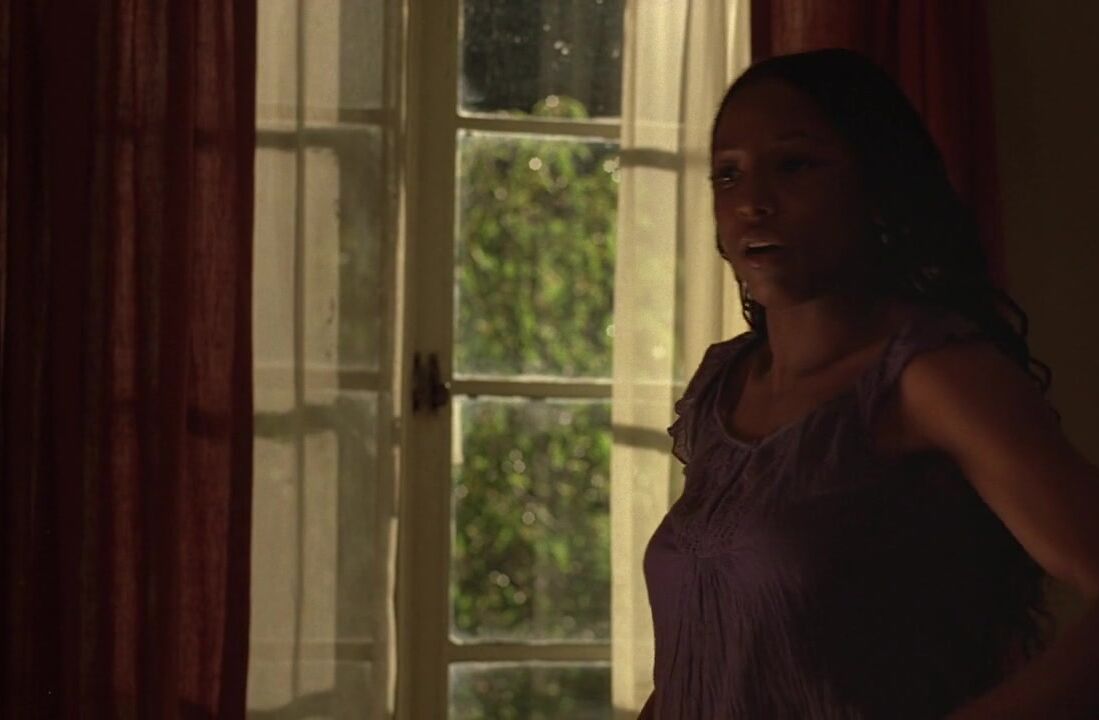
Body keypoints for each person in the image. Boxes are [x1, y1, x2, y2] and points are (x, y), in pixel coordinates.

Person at [638, 48, 1099, 719]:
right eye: (728, 175)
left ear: (876, 184)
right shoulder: (723, 386)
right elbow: (717, 655)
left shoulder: (929, 377)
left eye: (794, 165)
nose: (752, 205)